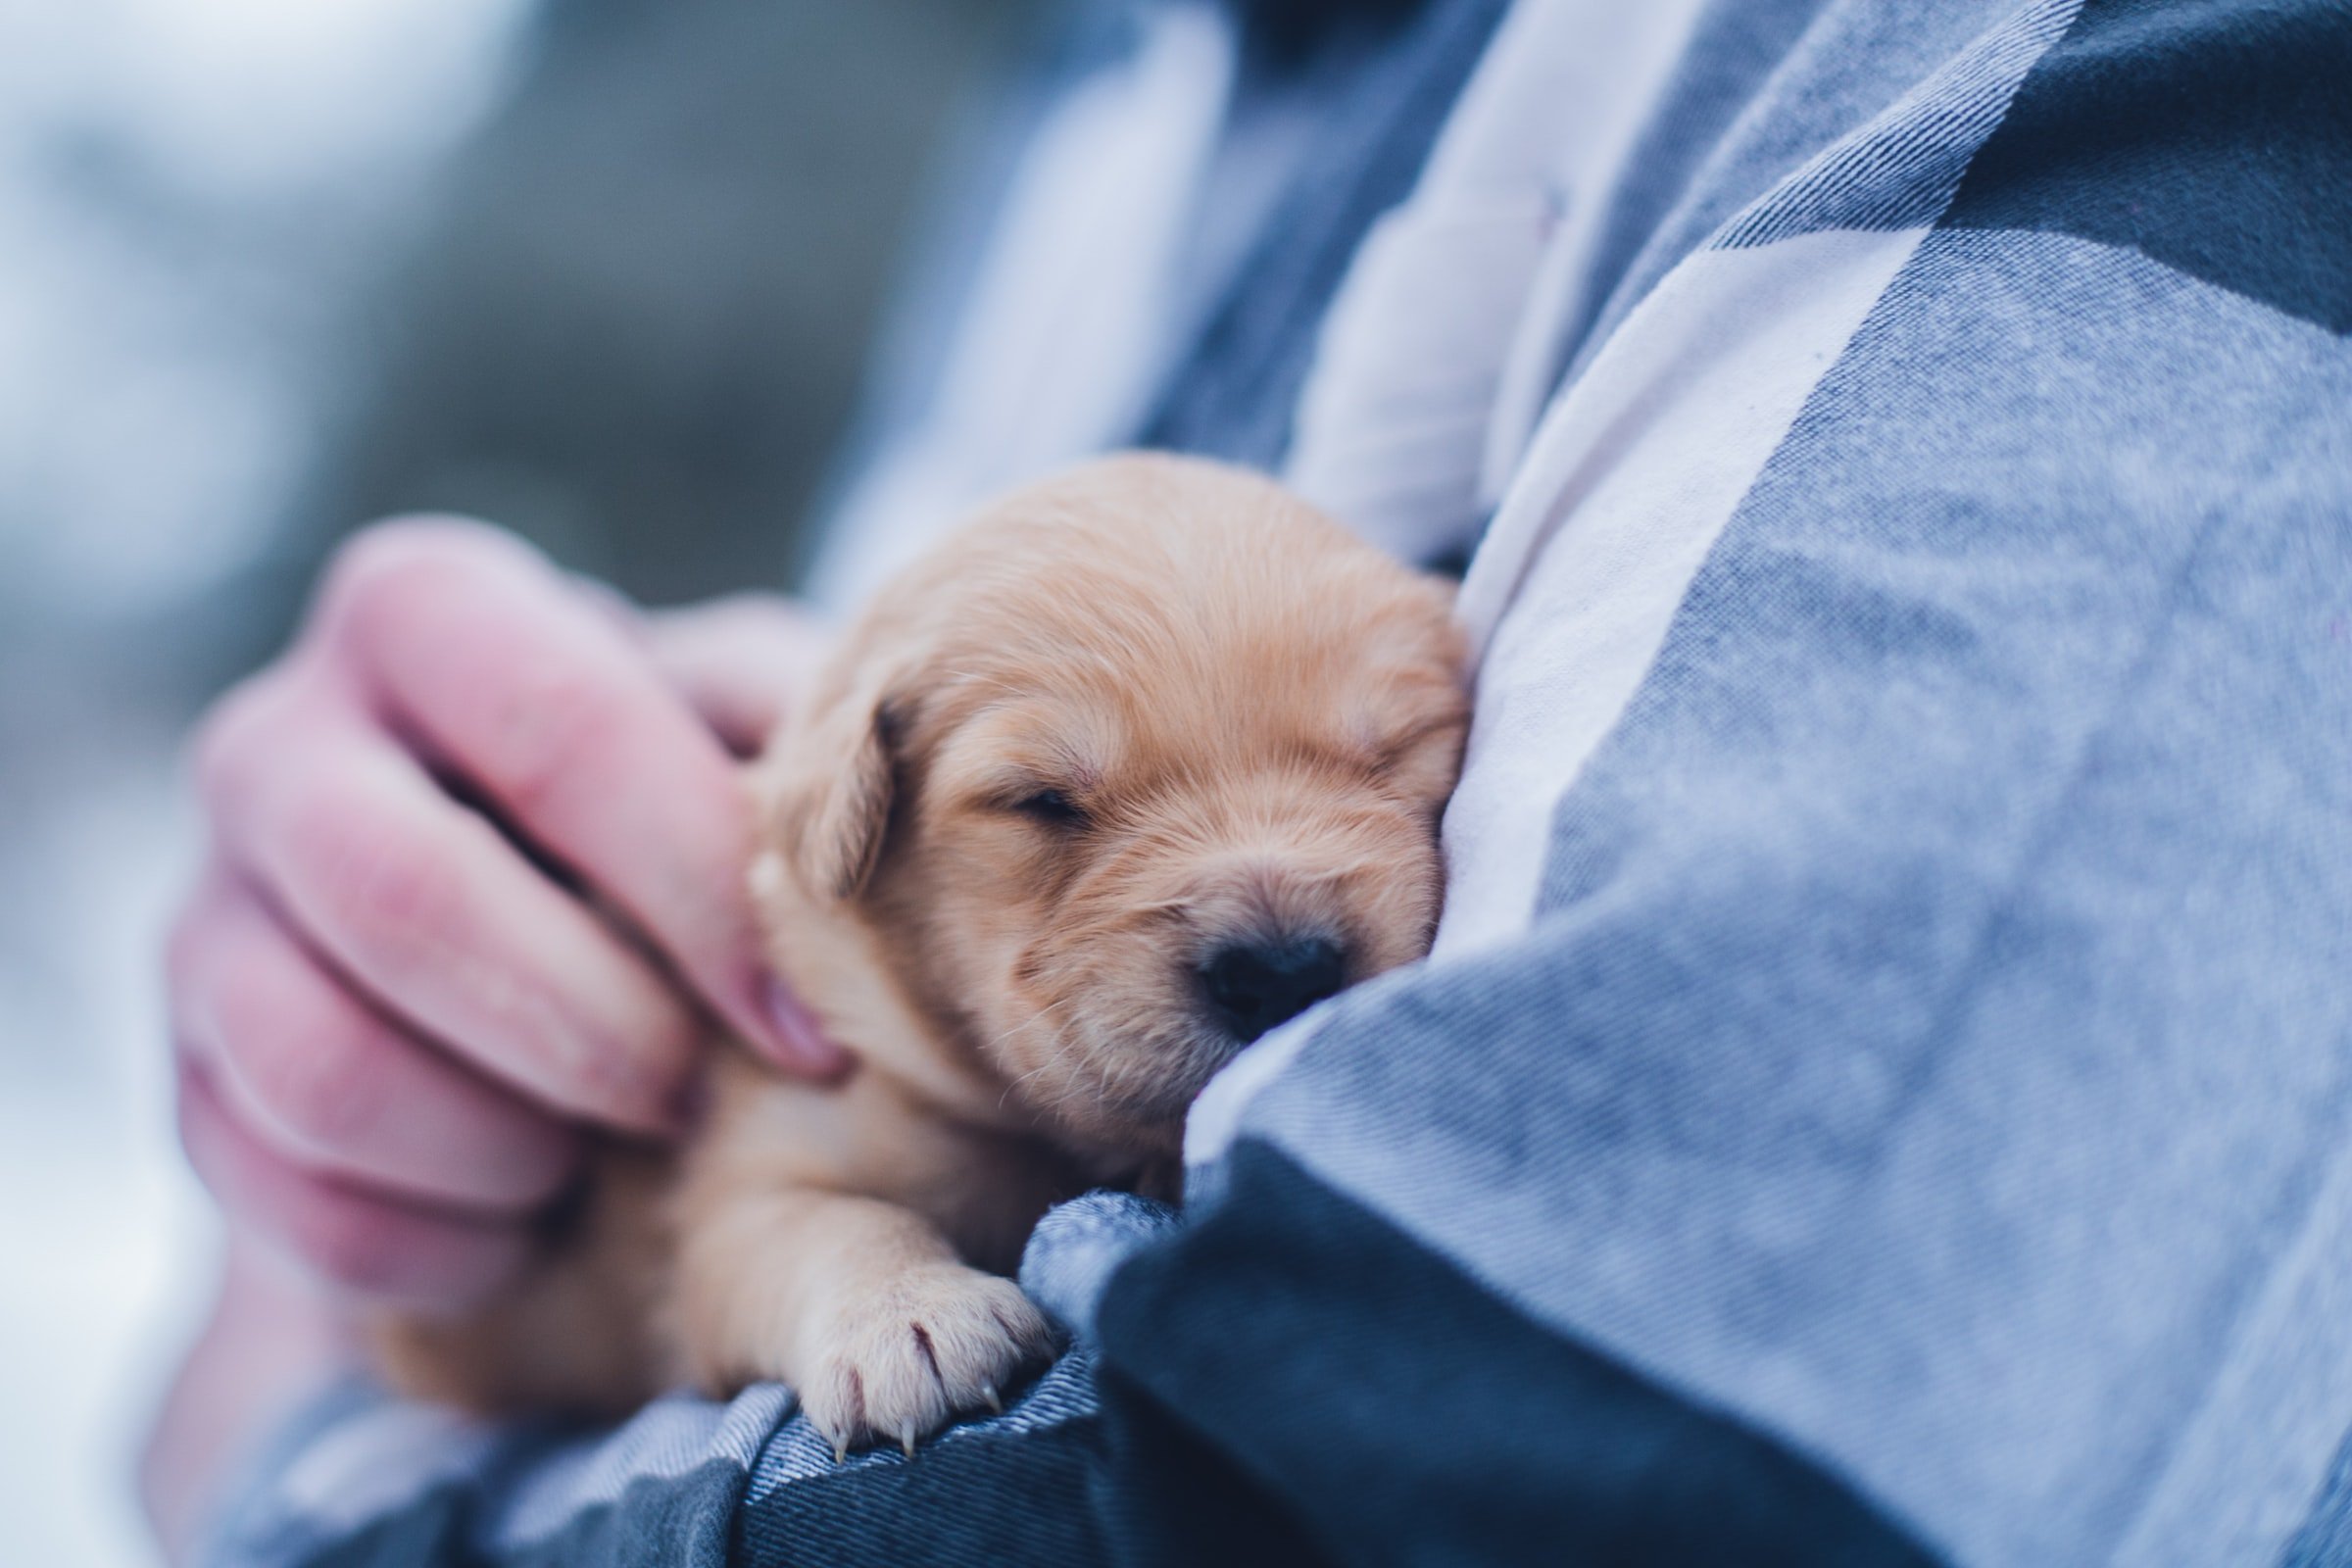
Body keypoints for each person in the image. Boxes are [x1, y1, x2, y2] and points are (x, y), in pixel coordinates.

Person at [147, 0, 2352, 1564]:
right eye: (1055, 807)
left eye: (1390, 758)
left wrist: (291, 1466)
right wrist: (337, 1121)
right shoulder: (1100, 87)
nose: (1275, 906)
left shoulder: (2114, 65)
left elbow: (1433, 1487)